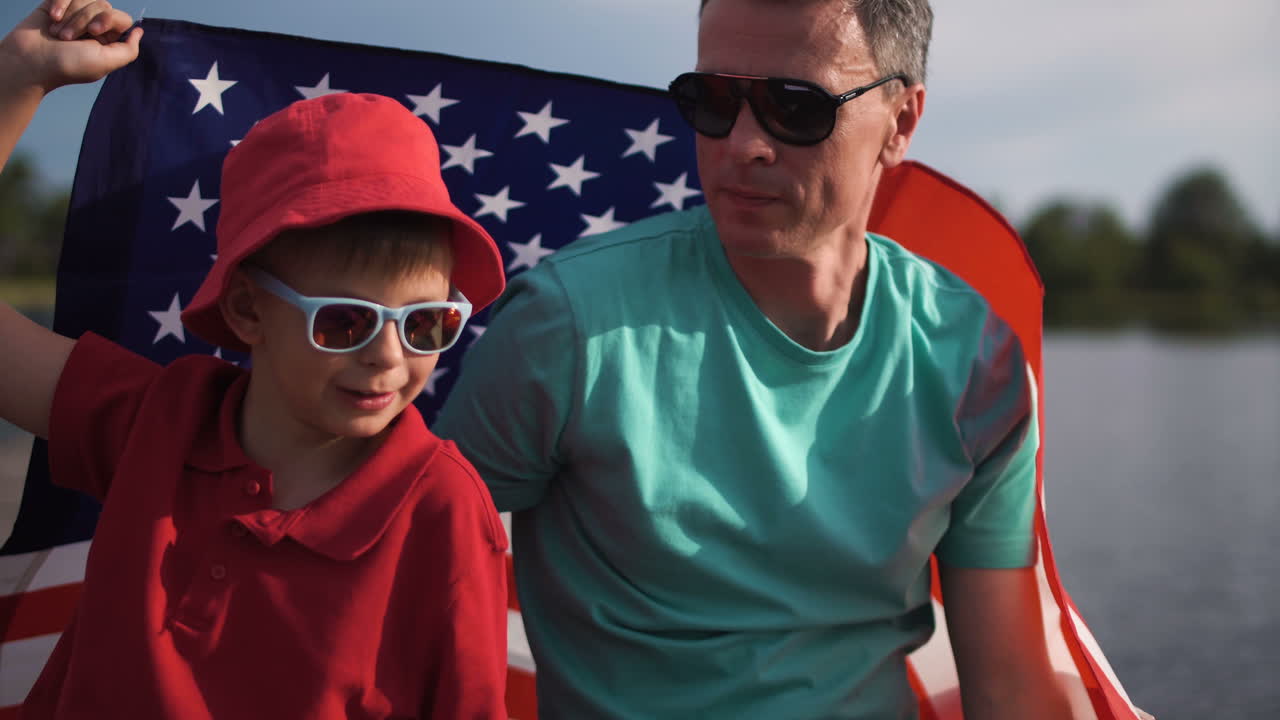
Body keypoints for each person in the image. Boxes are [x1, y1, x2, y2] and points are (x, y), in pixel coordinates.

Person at [436, 0, 1076, 717]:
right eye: (712, 100)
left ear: (900, 123)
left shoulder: (973, 363)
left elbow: (1010, 685)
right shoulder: (568, 326)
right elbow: (408, 595)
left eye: (793, 107)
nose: (742, 145)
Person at [0, 2, 509, 717]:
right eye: (345, 322)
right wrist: (16, 79)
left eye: (426, 323)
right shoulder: (158, 421)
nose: (390, 359)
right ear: (246, 311)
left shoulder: (443, 508)